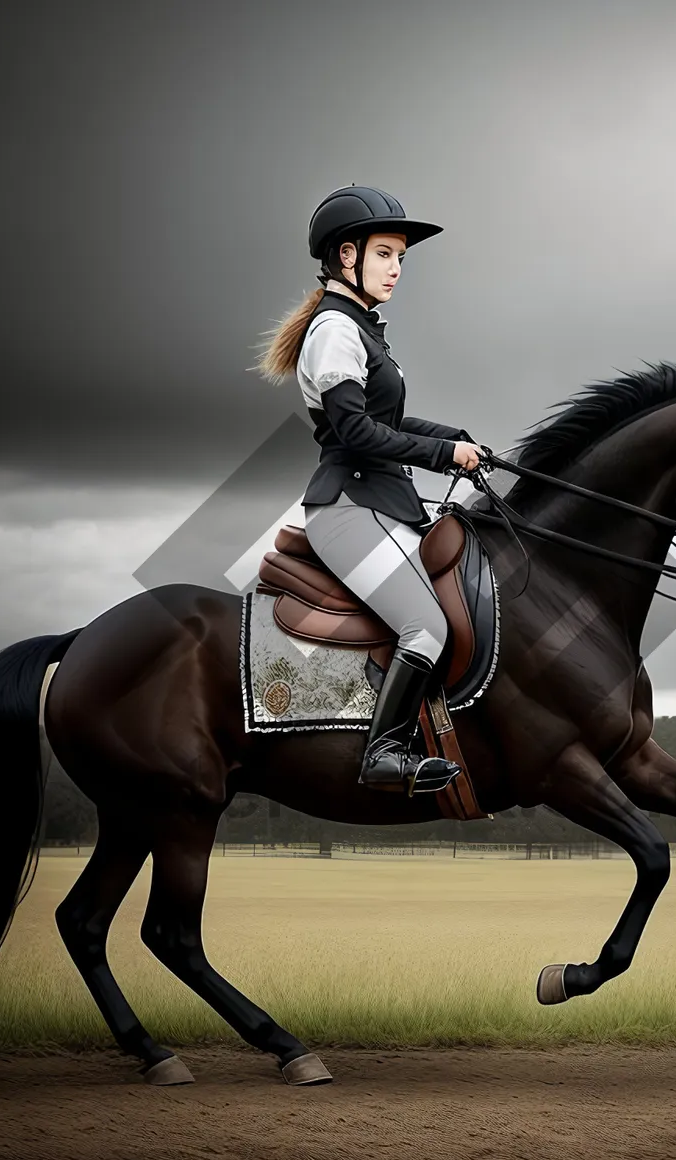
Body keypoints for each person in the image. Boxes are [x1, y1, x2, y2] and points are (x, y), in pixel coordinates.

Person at [254, 185, 485, 795]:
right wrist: (442, 454)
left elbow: (387, 423)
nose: (396, 269)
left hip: (382, 504)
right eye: (385, 254)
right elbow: (356, 433)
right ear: (346, 256)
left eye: (401, 258)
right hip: (350, 508)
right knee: (427, 629)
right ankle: (382, 756)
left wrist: (456, 441)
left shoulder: (361, 329)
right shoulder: (334, 328)